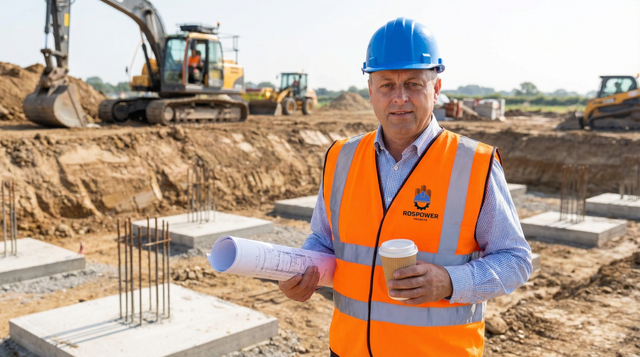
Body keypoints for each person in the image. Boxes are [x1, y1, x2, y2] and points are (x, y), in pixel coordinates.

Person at [278, 17, 532, 357]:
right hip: (348, 349)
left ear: (436, 89)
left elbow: (515, 260)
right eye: (386, 85)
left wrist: (451, 282)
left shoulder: (475, 165)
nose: (399, 98)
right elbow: (323, 240)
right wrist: (300, 274)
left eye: (413, 84)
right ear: (370, 90)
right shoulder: (341, 157)